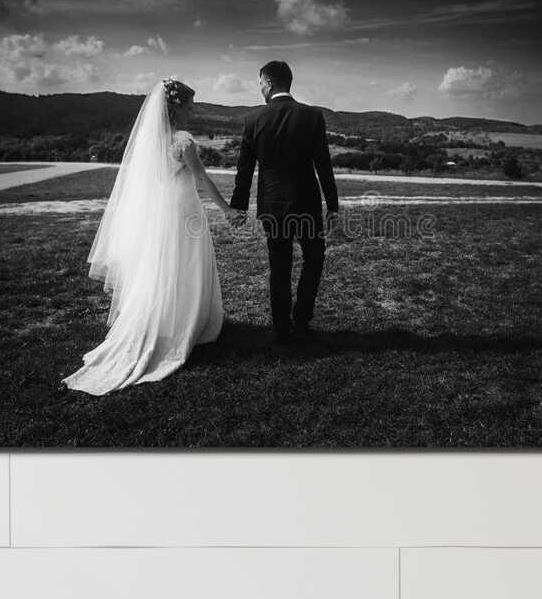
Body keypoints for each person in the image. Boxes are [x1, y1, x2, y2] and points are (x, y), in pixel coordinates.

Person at [64, 79, 231, 395]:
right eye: (190, 107)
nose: (192, 113)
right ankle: (184, 324)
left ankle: (163, 317)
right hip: (184, 213)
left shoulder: (150, 140)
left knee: (163, 268)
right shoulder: (183, 141)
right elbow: (202, 179)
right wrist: (227, 209)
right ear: (176, 107)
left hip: (161, 214)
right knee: (186, 266)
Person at [230, 60, 340, 341]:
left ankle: (281, 327)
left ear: (268, 83)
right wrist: (333, 206)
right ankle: (301, 319)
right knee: (314, 258)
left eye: (260, 84)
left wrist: (239, 207)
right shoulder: (312, 116)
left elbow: (245, 169)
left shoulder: (253, 120)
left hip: (272, 205)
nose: (259, 89)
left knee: (279, 265)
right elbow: (323, 166)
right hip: (307, 203)